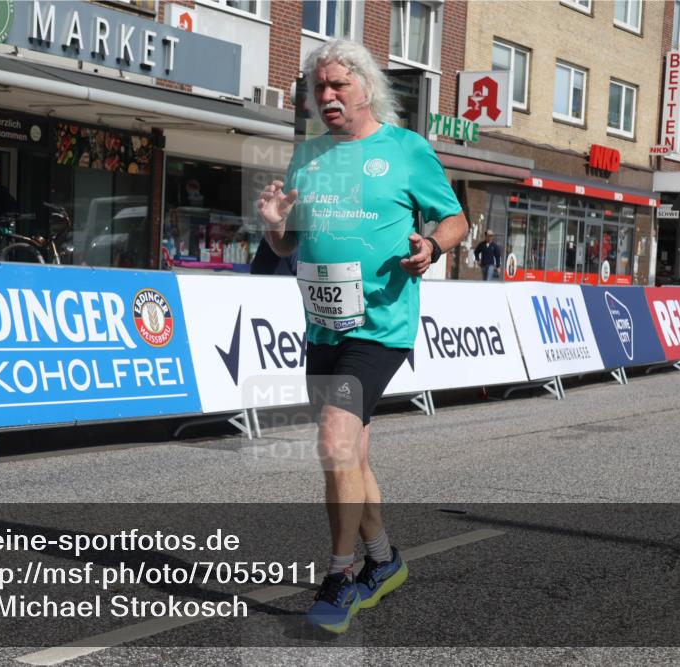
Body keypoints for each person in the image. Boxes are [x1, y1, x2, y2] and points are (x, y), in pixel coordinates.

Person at [257, 39, 468, 634]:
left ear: (365, 87)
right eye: (317, 87)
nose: (325, 96)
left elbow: (453, 218)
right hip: (324, 326)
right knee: (351, 455)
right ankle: (384, 560)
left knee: (332, 440)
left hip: (381, 326)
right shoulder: (308, 156)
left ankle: (340, 575)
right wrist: (276, 228)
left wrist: (433, 245)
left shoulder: (406, 150)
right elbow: (288, 246)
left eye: (337, 85)